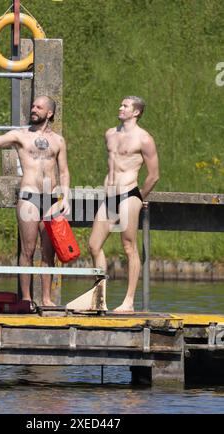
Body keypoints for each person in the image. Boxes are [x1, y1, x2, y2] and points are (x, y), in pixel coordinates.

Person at [0, 95, 70, 306]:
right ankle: (27, 299)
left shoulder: (58, 140)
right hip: (28, 197)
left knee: (50, 252)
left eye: (39, 107)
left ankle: (46, 299)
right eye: (33, 106)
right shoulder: (20, 135)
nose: (33, 109)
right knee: (27, 250)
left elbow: (64, 172)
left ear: (50, 113)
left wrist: (66, 197)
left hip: (51, 198)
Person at [88, 96, 159, 313]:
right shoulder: (110, 133)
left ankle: (128, 301)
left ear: (136, 112)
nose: (120, 108)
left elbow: (154, 175)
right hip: (109, 196)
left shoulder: (144, 139)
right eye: (120, 104)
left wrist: (139, 197)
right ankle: (99, 298)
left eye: (125, 106)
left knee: (129, 247)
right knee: (93, 245)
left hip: (129, 194)